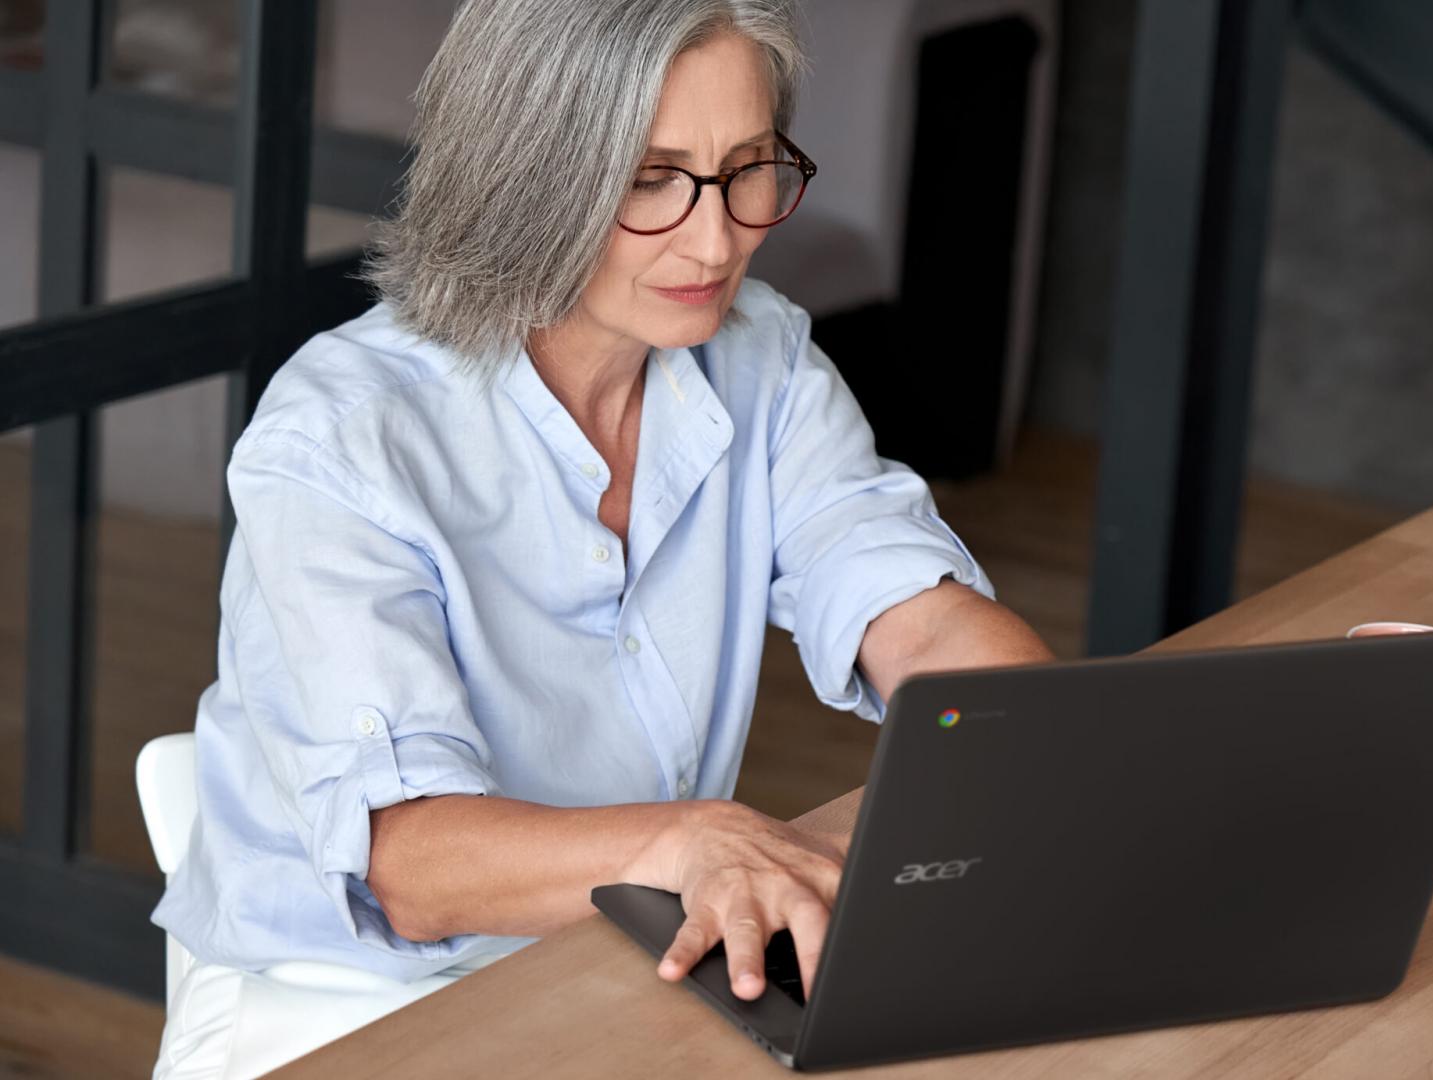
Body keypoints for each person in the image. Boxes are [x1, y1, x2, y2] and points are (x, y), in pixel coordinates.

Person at [150, 1, 1054, 1075]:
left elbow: (917, 615)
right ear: (526, 173)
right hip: (349, 1005)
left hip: (619, 952)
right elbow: (413, 865)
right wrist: (693, 838)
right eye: (648, 180)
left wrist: (1030, 740)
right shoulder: (341, 441)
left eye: (748, 167)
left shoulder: (757, 359)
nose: (717, 240)